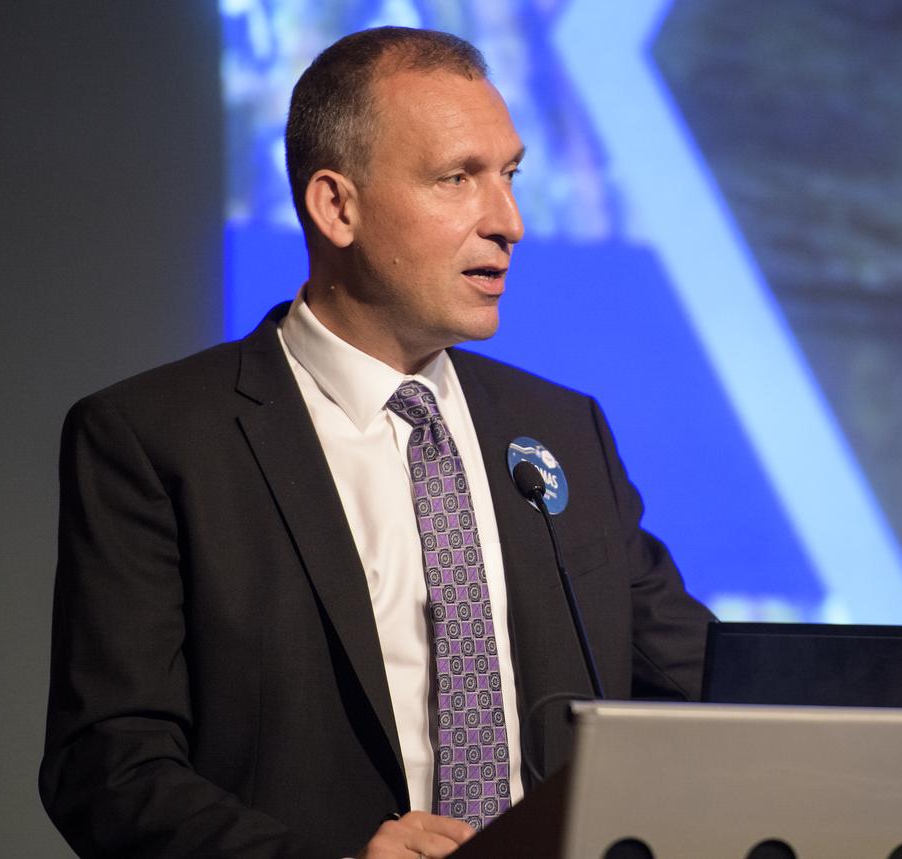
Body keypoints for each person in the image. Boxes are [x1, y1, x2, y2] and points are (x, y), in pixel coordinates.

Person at [41, 27, 713, 859]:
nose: (508, 222)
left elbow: (700, 686)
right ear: (337, 206)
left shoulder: (561, 432)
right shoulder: (157, 439)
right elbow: (109, 764)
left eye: (509, 175)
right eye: (457, 178)